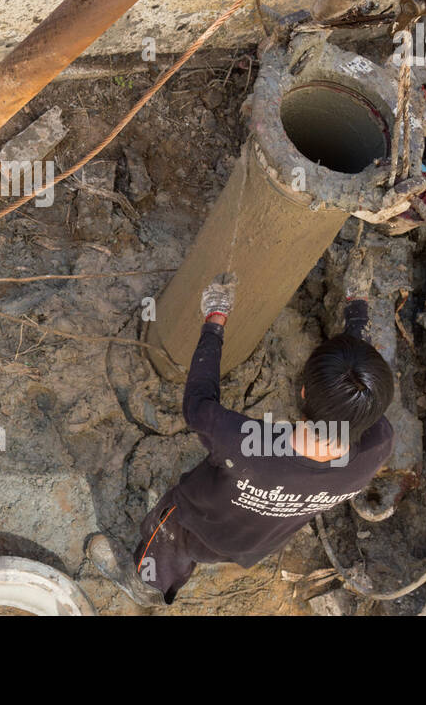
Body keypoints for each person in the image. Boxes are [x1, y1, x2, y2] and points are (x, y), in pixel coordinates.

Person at [88, 254, 394, 606]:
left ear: (303, 392)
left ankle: (147, 586)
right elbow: (357, 394)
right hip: (257, 541)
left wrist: (214, 320)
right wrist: (358, 307)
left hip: (193, 528)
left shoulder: (246, 445)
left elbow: (198, 404)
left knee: (168, 542)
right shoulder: (377, 447)